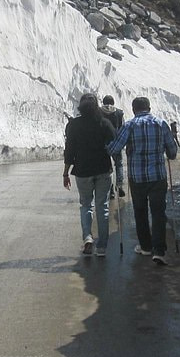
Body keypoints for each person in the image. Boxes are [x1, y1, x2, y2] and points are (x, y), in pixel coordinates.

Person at [107, 96, 178, 265]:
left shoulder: (129, 125)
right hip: (158, 177)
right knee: (158, 213)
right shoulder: (161, 124)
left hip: (137, 178)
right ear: (149, 108)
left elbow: (114, 149)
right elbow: (173, 152)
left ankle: (146, 247)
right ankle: (159, 251)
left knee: (140, 212)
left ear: (133, 110)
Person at [63, 93, 116, 257]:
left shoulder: (73, 125)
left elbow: (69, 151)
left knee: (86, 205)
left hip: (83, 171)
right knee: (102, 206)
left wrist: (65, 173)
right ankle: (102, 247)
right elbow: (114, 145)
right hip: (103, 170)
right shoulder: (104, 123)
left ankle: (87, 237)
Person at [100, 95, 125, 198]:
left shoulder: (99, 112)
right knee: (119, 164)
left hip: (103, 143)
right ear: (113, 102)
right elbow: (123, 127)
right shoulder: (119, 112)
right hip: (116, 142)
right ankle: (119, 185)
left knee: (107, 167)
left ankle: (111, 190)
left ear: (103, 102)